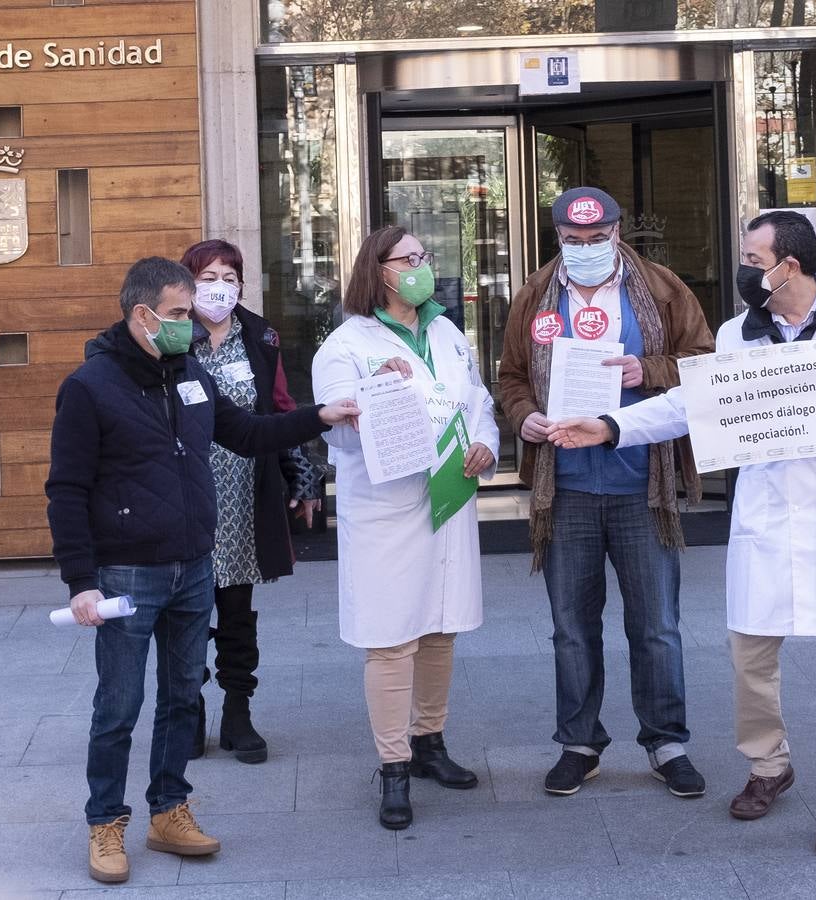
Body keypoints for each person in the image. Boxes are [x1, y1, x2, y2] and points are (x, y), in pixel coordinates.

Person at [549, 210, 816, 856]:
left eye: (754, 260)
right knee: (751, 658)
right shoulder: (736, 334)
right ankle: (768, 765)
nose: (746, 270)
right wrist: (611, 426)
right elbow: (690, 408)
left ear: (792, 266)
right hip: (768, 519)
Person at [45, 257, 359, 884]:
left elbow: (244, 433)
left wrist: (319, 416)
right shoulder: (90, 386)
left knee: (181, 697)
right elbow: (67, 489)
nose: (192, 324)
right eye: (181, 313)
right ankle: (106, 822)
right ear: (143, 315)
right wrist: (81, 581)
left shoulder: (188, 373)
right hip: (127, 574)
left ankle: (169, 811)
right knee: (119, 704)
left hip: (194, 564)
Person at [497, 186, 715, 799]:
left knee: (656, 625)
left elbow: (705, 363)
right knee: (571, 625)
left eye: (597, 239)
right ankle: (579, 742)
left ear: (618, 232)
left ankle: (667, 742)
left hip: (642, 484)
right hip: (563, 486)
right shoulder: (534, 296)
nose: (586, 249)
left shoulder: (665, 289)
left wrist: (649, 370)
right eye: (573, 240)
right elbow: (511, 374)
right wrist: (524, 419)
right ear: (557, 237)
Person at [312, 226, 500, 831]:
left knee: (441, 627)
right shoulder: (344, 345)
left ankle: (430, 743)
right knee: (392, 637)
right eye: (409, 258)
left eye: (426, 255)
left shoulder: (446, 331)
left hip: (448, 500)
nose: (421, 266)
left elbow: (478, 402)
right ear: (380, 269)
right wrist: (377, 389)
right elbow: (337, 428)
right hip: (386, 509)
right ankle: (393, 766)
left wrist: (487, 449)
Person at [181, 239, 324, 765]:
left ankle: (238, 711)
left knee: (236, 611)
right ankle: (187, 709)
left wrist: (303, 478)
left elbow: (280, 410)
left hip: (245, 493)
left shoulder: (259, 336)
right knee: (186, 613)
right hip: (186, 496)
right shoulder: (172, 335)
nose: (219, 286)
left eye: (229, 275)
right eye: (208, 276)